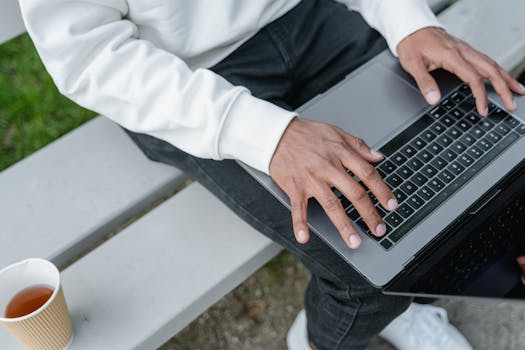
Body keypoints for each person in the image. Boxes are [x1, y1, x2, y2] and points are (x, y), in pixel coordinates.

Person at [19, 0, 525, 349]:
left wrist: (408, 21)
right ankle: (318, 340)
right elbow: (87, 54)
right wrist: (269, 134)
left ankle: (409, 304)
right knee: (366, 275)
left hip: (306, 16)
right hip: (177, 74)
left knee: (477, 170)